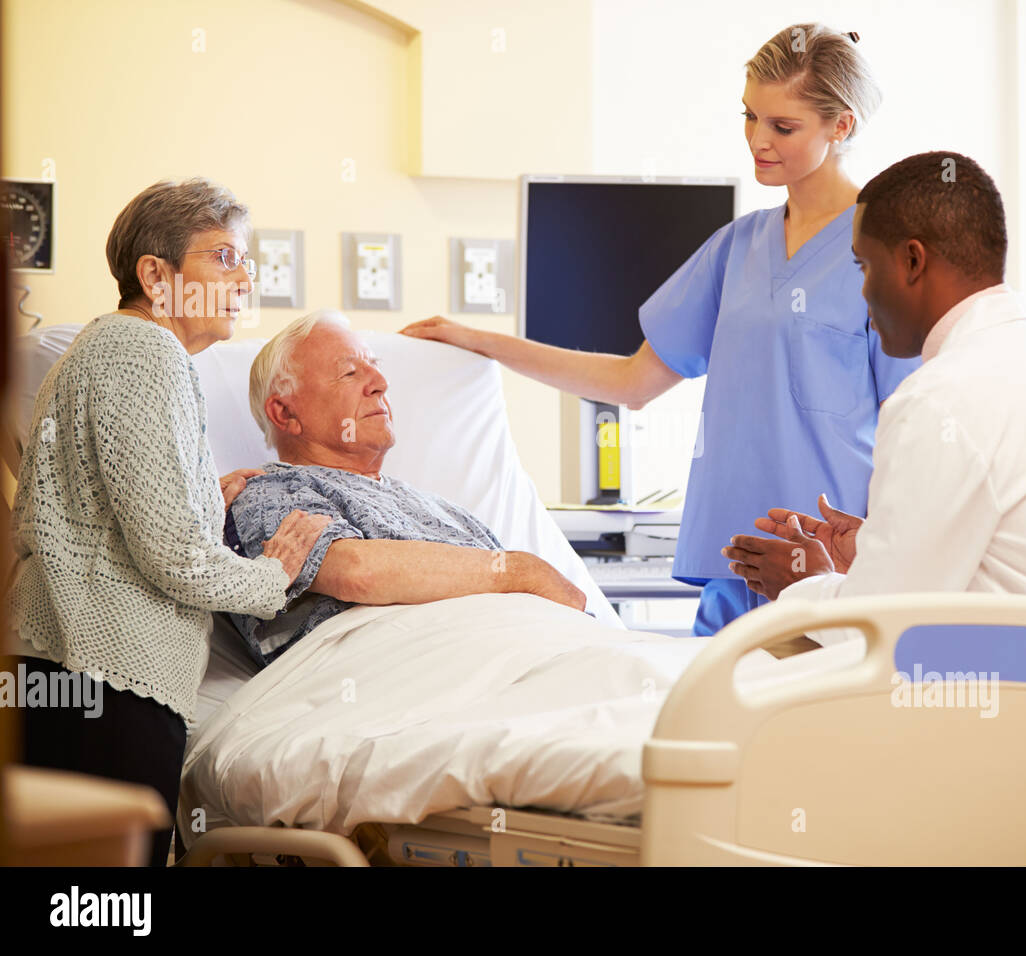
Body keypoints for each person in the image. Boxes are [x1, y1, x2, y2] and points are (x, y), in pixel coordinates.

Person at [400, 24, 920, 636]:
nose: (758, 139)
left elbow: (909, 428)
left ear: (842, 126)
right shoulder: (736, 249)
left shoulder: (885, 253)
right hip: (737, 556)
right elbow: (633, 381)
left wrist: (879, 552)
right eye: (749, 116)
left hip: (833, 567)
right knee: (717, 726)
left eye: (783, 127)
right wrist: (481, 341)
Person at [722, 151, 1026, 691]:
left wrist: (803, 583)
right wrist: (880, 547)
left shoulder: (936, 399)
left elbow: (877, 631)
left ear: (912, 262)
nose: (863, 293)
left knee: (783, 664)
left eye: (864, 266)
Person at [5, 179, 331, 865]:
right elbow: (175, 558)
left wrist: (202, 497)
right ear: (156, 275)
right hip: (109, 677)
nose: (246, 279)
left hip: (65, 667)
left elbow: (100, 506)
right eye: (224, 258)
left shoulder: (103, 350)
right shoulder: (146, 353)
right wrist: (274, 576)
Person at [225, 311, 588, 668]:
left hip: (534, 650)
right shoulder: (268, 493)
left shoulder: (444, 510)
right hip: (418, 673)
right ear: (285, 414)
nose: (380, 382)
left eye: (375, 367)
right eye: (349, 372)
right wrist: (519, 571)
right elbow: (356, 572)